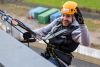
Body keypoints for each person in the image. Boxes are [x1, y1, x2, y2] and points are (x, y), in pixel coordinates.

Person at [23, 1, 91, 67]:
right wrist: (31, 34)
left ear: (74, 17)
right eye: (63, 15)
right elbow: (44, 31)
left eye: (68, 16)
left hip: (60, 61)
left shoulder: (76, 30)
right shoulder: (58, 21)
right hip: (49, 55)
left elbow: (86, 43)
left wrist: (82, 25)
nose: (64, 18)